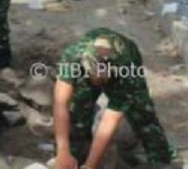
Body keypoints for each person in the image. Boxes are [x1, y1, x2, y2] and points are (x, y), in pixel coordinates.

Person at [53, 28, 176, 169]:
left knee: (143, 115)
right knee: (77, 112)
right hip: (86, 69)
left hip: (123, 70)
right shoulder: (72, 57)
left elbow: (109, 121)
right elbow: (60, 104)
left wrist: (90, 167)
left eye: (101, 78)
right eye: (95, 77)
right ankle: (73, 156)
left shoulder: (127, 71)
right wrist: (63, 151)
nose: (98, 82)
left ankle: (160, 161)